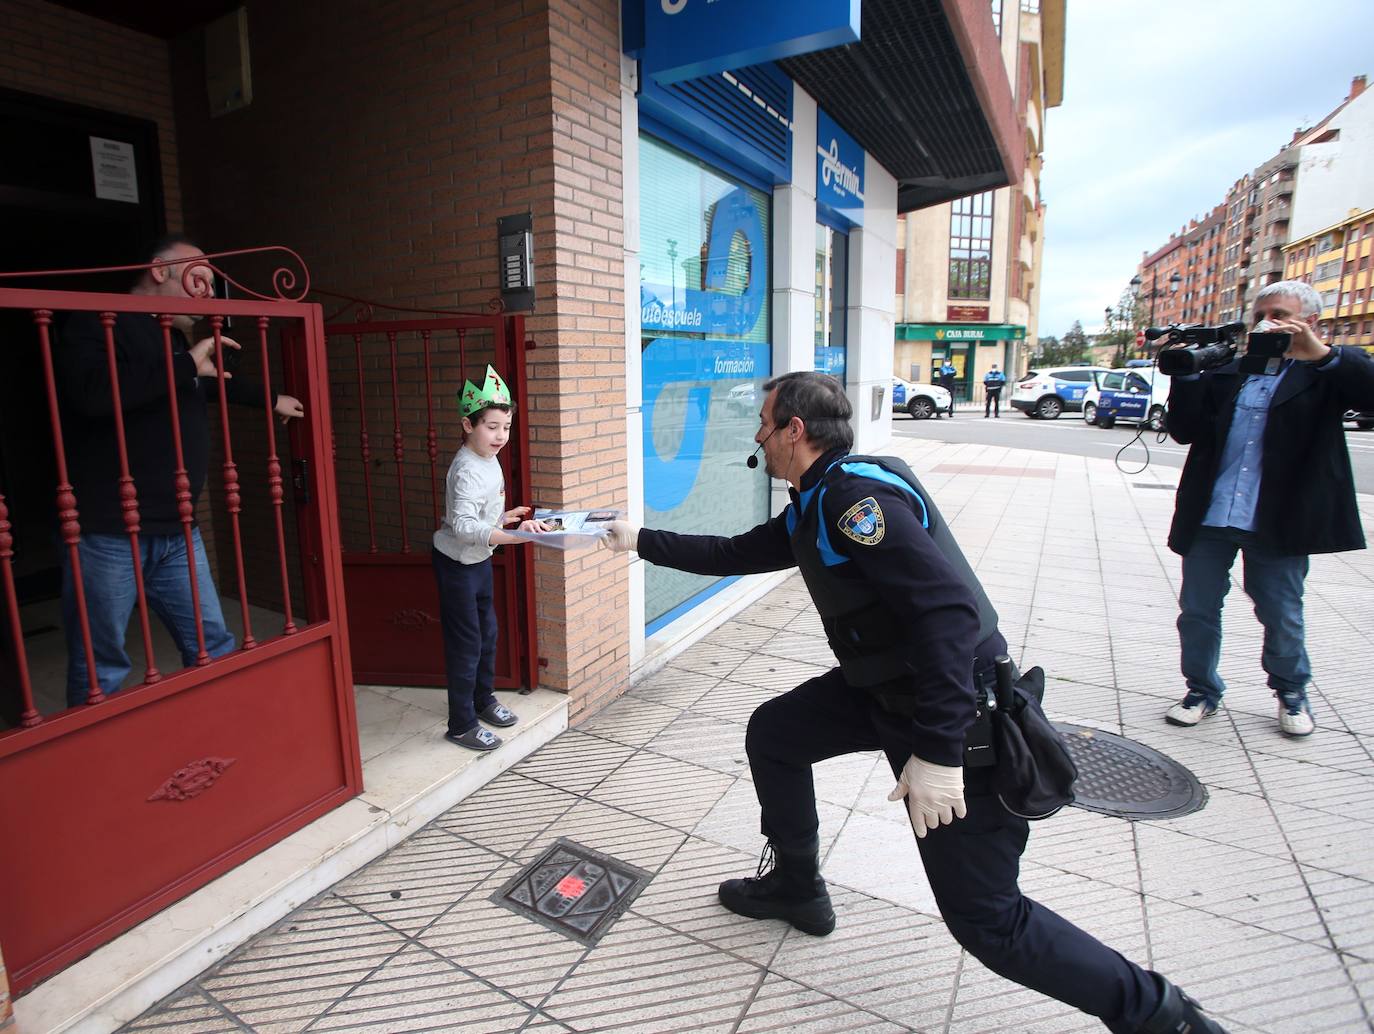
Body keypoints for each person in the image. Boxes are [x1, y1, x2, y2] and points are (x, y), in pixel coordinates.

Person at [602, 371, 1228, 1034]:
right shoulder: (817, 497)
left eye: (763, 422)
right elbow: (737, 550)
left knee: (989, 921)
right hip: (886, 691)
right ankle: (796, 885)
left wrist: (937, 755)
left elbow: (951, 617)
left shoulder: (855, 502)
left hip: (951, 708)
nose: (756, 434)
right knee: (776, 733)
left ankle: (1165, 1015)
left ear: (794, 430)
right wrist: (636, 540)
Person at [56, 236, 304, 705]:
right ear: (158, 270)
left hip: (177, 528)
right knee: (101, 669)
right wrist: (188, 361)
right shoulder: (93, 318)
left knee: (215, 647)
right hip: (108, 531)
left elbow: (200, 385)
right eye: (200, 278)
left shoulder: (168, 334)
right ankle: (97, 769)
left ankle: (225, 737)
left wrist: (268, 398)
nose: (207, 291)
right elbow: (93, 396)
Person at [1162, 280, 1374, 737]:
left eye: (1279, 314)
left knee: (1280, 611)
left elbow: (1368, 392)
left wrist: (1318, 351)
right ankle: (1201, 689)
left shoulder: (1325, 372)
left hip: (1277, 518)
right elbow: (1185, 430)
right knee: (1197, 609)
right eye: (1261, 314)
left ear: (1310, 321)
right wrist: (1185, 374)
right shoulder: (1233, 370)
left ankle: (1291, 691)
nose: (1267, 323)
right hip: (1213, 513)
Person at [431, 364, 546, 750]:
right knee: (467, 644)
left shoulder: (489, 458)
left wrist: (503, 517)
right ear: (468, 425)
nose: (500, 436)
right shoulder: (465, 469)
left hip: (479, 561)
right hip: (458, 566)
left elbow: (478, 518)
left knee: (488, 636)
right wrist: (512, 535)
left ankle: (483, 700)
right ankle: (461, 724)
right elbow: (462, 526)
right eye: (492, 426)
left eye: (506, 427)